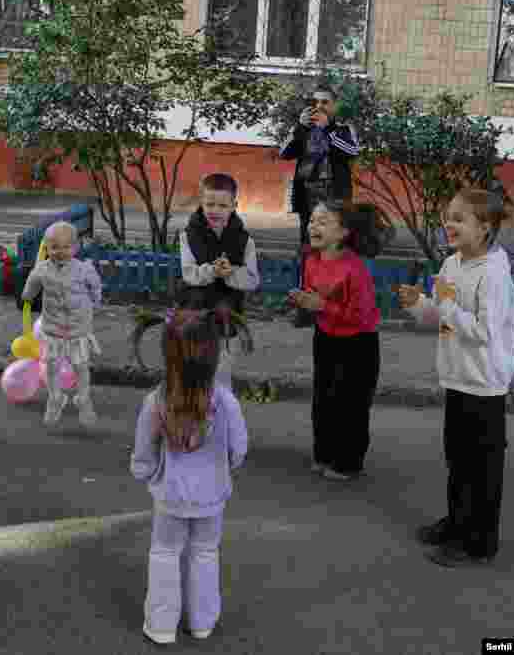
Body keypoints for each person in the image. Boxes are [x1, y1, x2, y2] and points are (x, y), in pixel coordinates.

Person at [397, 188, 514, 568]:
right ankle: (457, 523)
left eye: (460, 219)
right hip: (456, 377)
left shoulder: (494, 276)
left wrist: (445, 306)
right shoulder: (452, 265)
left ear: (484, 228)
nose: (450, 224)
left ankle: (479, 544)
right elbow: (444, 321)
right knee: (459, 461)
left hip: (484, 383)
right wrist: (420, 305)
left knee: (482, 470)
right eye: (448, 216)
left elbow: (484, 331)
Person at [130, 307, 249, 645]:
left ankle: (162, 625)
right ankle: (202, 622)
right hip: (212, 495)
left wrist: (150, 474)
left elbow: (143, 454)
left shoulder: (156, 401)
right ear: (213, 354)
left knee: (164, 553)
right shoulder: (225, 401)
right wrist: (225, 467)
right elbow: (239, 448)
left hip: (170, 495)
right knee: (206, 552)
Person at [287, 200, 393, 481]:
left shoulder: (354, 269)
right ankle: (324, 454)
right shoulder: (311, 259)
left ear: (343, 232)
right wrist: (303, 302)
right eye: (311, 220)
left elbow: (360, 316)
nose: (313, 226)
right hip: (325, 337)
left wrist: (320, 305)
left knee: (351, 404)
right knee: (323, 399)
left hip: (358, 342)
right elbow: (314, 298)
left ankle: (348, 462)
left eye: (323, 221)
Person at [279, 85, 360, 326]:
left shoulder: (344, 129)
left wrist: (328, 130)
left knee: (335, 253)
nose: (319, 107)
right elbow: (284, 152)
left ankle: (335, 309)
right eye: (315, 102)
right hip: (309, 201)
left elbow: (352, 150)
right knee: (308, 254)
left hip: (334, 202)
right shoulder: (304, 130)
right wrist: (300, 127)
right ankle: (306, 311)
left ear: (334, 106)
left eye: (325, 103)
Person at [178, 173, 260, 388]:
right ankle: (195, 416)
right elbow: (189, 273)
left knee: (222, 376)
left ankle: (222, 417)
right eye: (210, 204)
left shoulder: (245, 241)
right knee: (195, 375)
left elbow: (252, 280)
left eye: (223, 205)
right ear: (201, 202)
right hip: (194, 315)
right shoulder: (188, 236)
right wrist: (211, 271)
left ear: (234, 205)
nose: (215, 210)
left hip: (228, 318)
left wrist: (231, 272)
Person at [21, 221, 103, 427]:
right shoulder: (42, 270)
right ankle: (55, 397)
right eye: (54, 247)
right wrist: (27, 296)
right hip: (53, 328)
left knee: (81, 365)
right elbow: (30, 287)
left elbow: (95, 287)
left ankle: (83, 398)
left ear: (75, 248)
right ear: (46, 248)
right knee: (51, 365)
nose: (60, 252)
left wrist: (95, 302)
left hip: (78, 327)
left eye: (66, 247)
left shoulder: (84, 269)